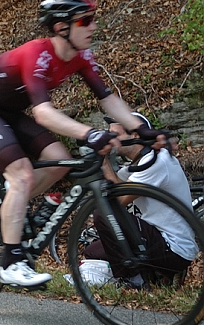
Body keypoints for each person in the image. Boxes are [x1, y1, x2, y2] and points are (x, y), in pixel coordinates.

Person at [0, 0, 167, 287]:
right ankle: (9, 262)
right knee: (21, 174)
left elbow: (107, 99)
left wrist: (142, 128)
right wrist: (89, 132)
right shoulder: (37, 53)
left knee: (60, 160)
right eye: (86, 20)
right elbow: (43, 113)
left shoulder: (81, 56)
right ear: (61, 27)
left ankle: (6, 209)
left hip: (8, 111)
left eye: (93, 19)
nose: (93, 25)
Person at [80, 112, 198, 287]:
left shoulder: (157, 161)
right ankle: (151, 275)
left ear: (135, 135)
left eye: (116, 135)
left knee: (104, 215)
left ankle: (133, 277)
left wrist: (104, 163)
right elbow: (114, 188)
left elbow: (118, 201)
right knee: (92, 252)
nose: (112, 141)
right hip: (153, 237)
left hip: (173, 247)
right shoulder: (134, 167)